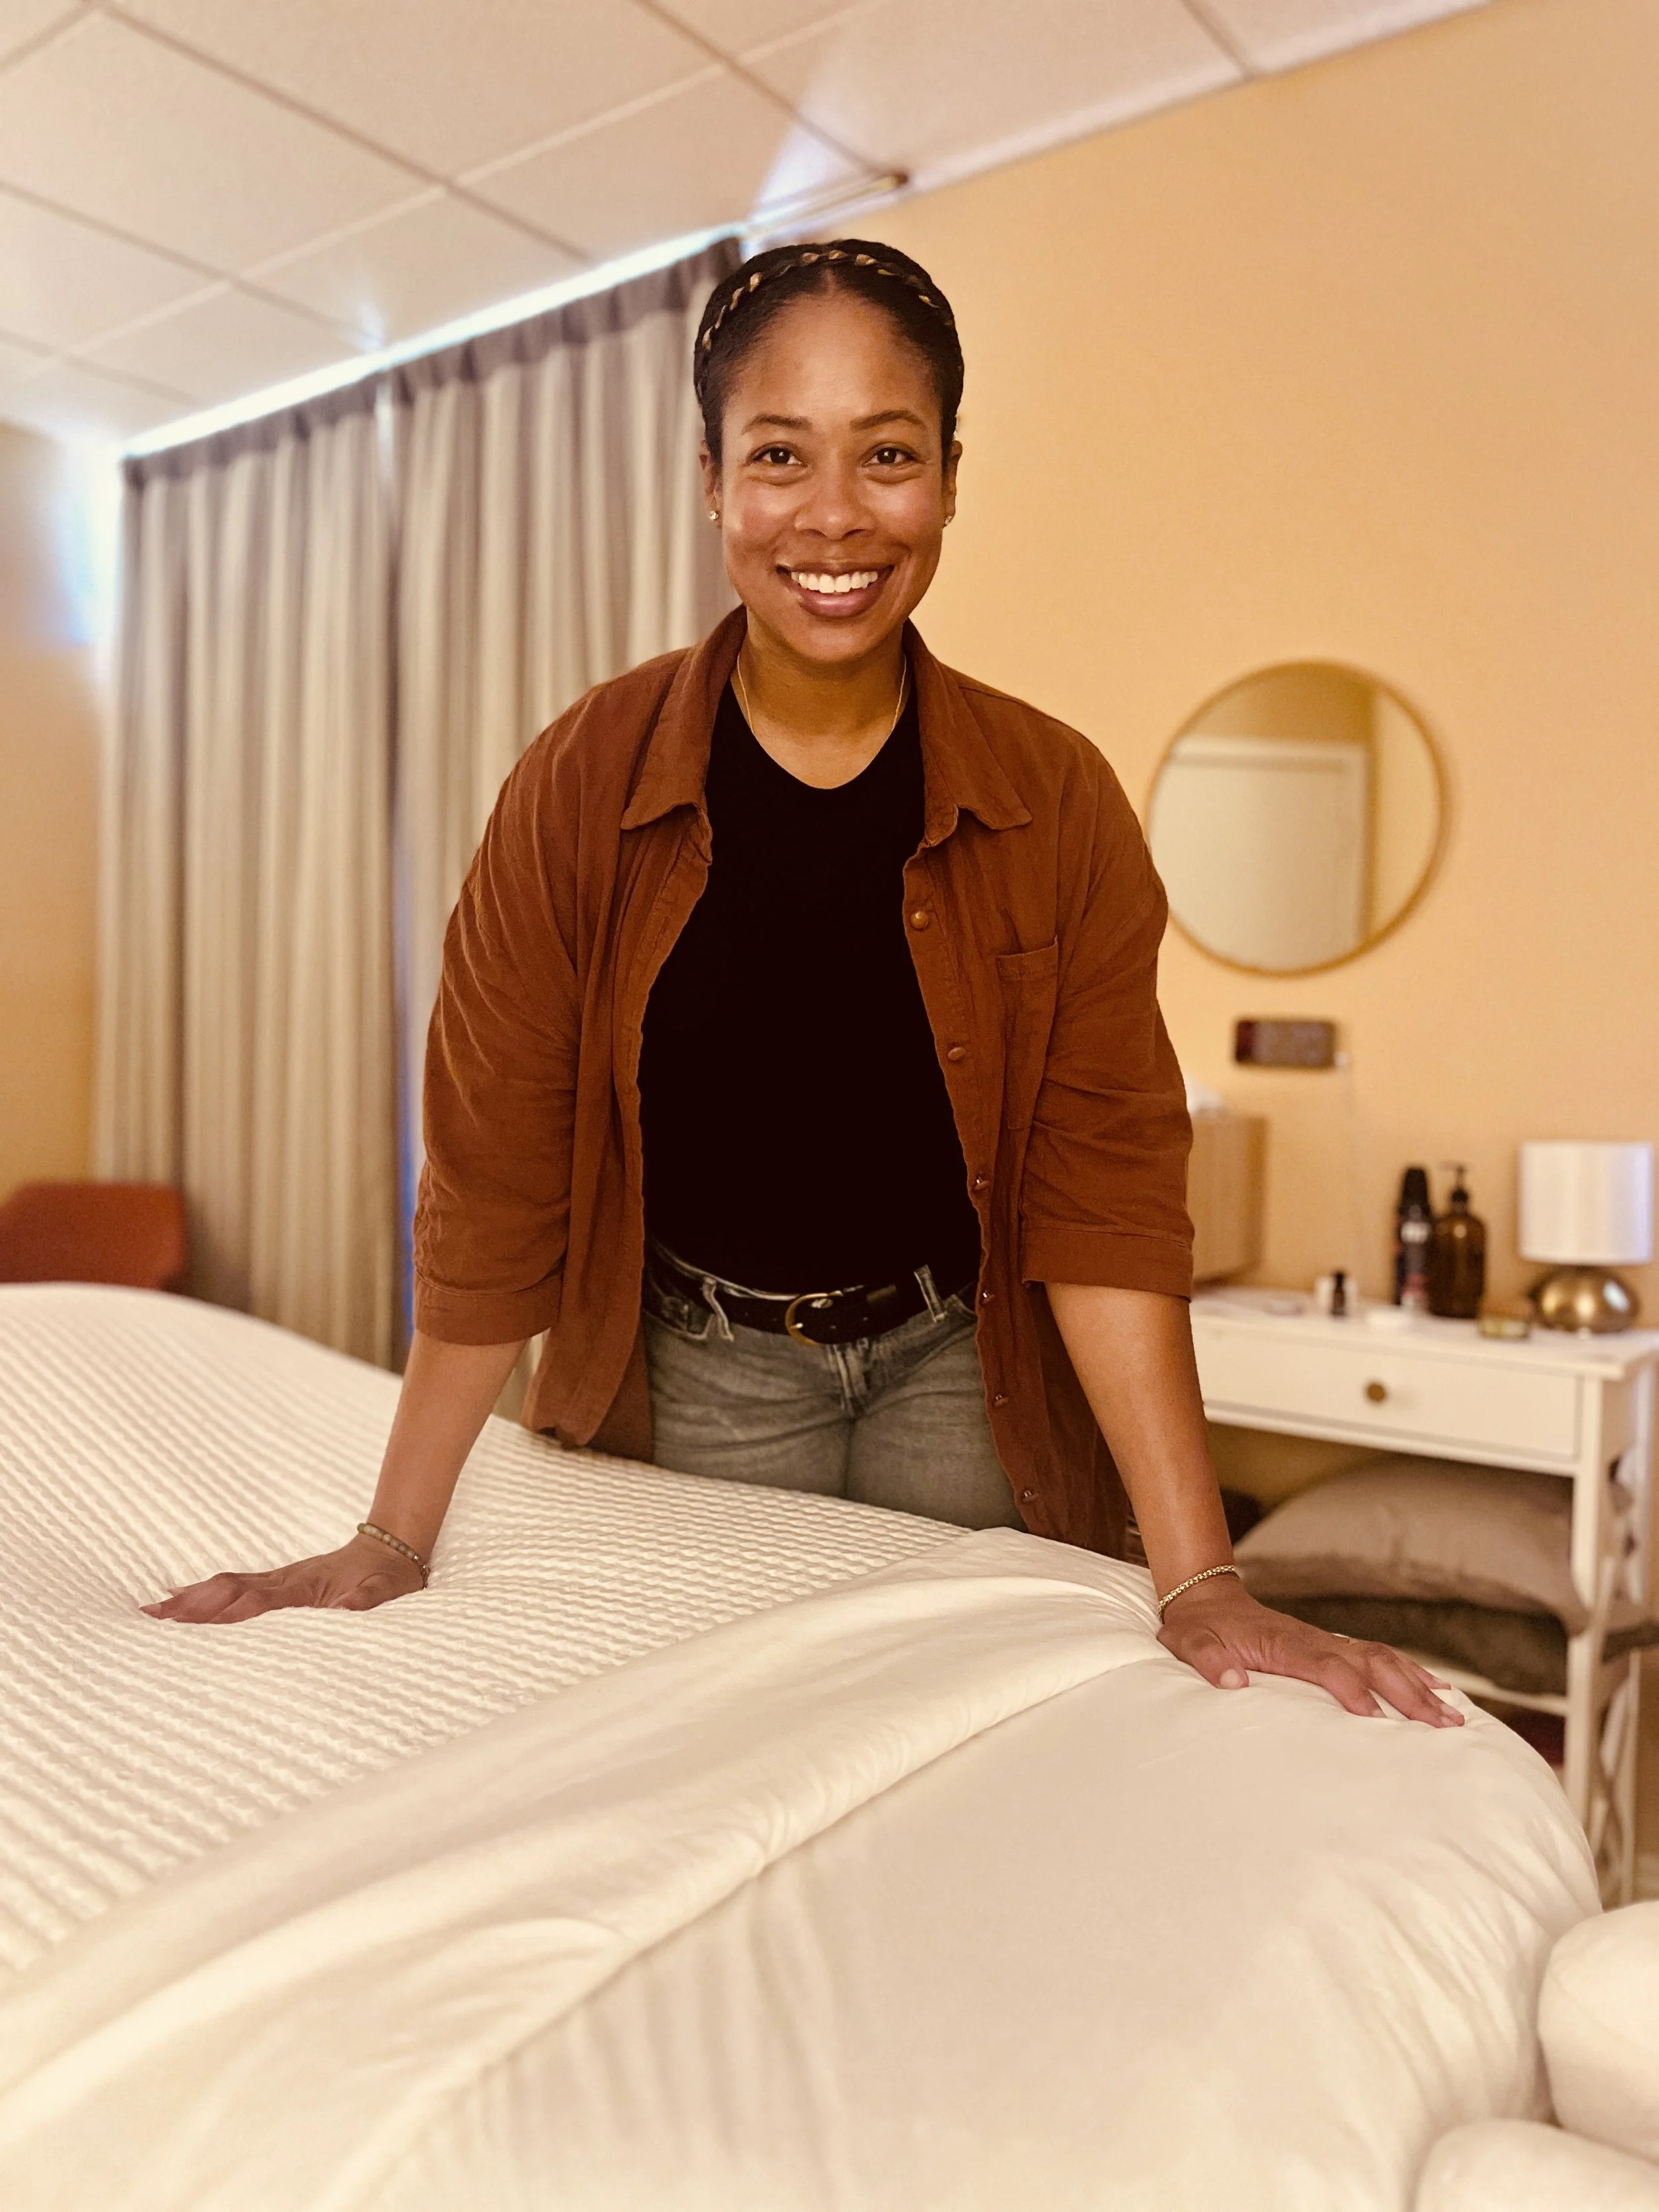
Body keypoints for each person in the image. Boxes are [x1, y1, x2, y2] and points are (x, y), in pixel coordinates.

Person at [147, 240, 1457, 1731]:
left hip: (959, 1365)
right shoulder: (579, 784)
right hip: (696, 1367)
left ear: (948, 479)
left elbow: (1106, 1202)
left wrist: (1199, 1580)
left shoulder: (1056, 800)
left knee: (953, 1744)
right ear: (711, 478)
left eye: (887, 454)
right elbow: (494, 1182)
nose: (834, 514)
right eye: (779, 455)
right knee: (717, 1742)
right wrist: (391, 1540)